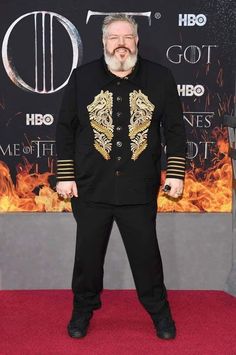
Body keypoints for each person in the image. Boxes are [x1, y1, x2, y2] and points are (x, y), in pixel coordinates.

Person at [55, 14, 186, 340]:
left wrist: (177, 172)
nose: (121, 43)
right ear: (104, 42)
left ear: (137, 41)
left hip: (138, 189)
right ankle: (82, 310)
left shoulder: (160, 77)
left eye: (127, 36)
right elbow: (64, 129)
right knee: (87, 257)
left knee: (147, 257)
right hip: (90, 186)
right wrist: (66, 175)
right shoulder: (81, 78)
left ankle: (160, 313)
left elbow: (175, 130)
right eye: (114, 37)